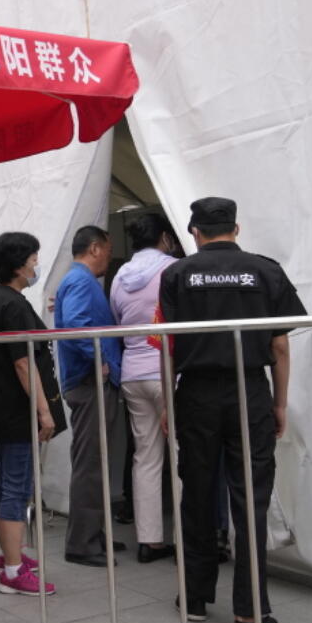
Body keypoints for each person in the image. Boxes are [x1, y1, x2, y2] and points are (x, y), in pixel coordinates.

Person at [159, 197, 306, 623]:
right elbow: (280, 347)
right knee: (251, 498)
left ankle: (197, 598)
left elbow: (168, 346)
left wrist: (169, 402)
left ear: (195, 232)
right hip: (249, 391)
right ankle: (250, 615)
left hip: (197, 394)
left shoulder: (176, 275)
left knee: (198, 493)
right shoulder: (266, 271)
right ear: (236, 228)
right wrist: (279, 403)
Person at [0, 232, 64, 596]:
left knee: (8, 488)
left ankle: (10, 557)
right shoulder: (10, 305)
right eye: (32, 258)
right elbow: (22, 363)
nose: (35, 265)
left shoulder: (1, 299)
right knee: (15, 488)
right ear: (17, 264)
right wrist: (44, 413)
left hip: (9, 409)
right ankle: (13, 572)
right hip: (18, 411)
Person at [110, 214, 180, 563]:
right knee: (183, 456)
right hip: (168, 371)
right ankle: (188, 537)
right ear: (165, 237)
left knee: (146, 458)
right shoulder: (173, 269)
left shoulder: (119, 277)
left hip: (132, 372)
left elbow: (117, 320)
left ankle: (149, 540)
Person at [55, 225, 124, 567]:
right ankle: (83, 542)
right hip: (89, 381)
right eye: (108, 252)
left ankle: (93, 534)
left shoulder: (76, 281)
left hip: (86, 380)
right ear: (95, 248)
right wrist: (102, 362)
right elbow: (77, 326)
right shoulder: (81, 281)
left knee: (93, 461)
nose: (108, 260)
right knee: (91, 463)